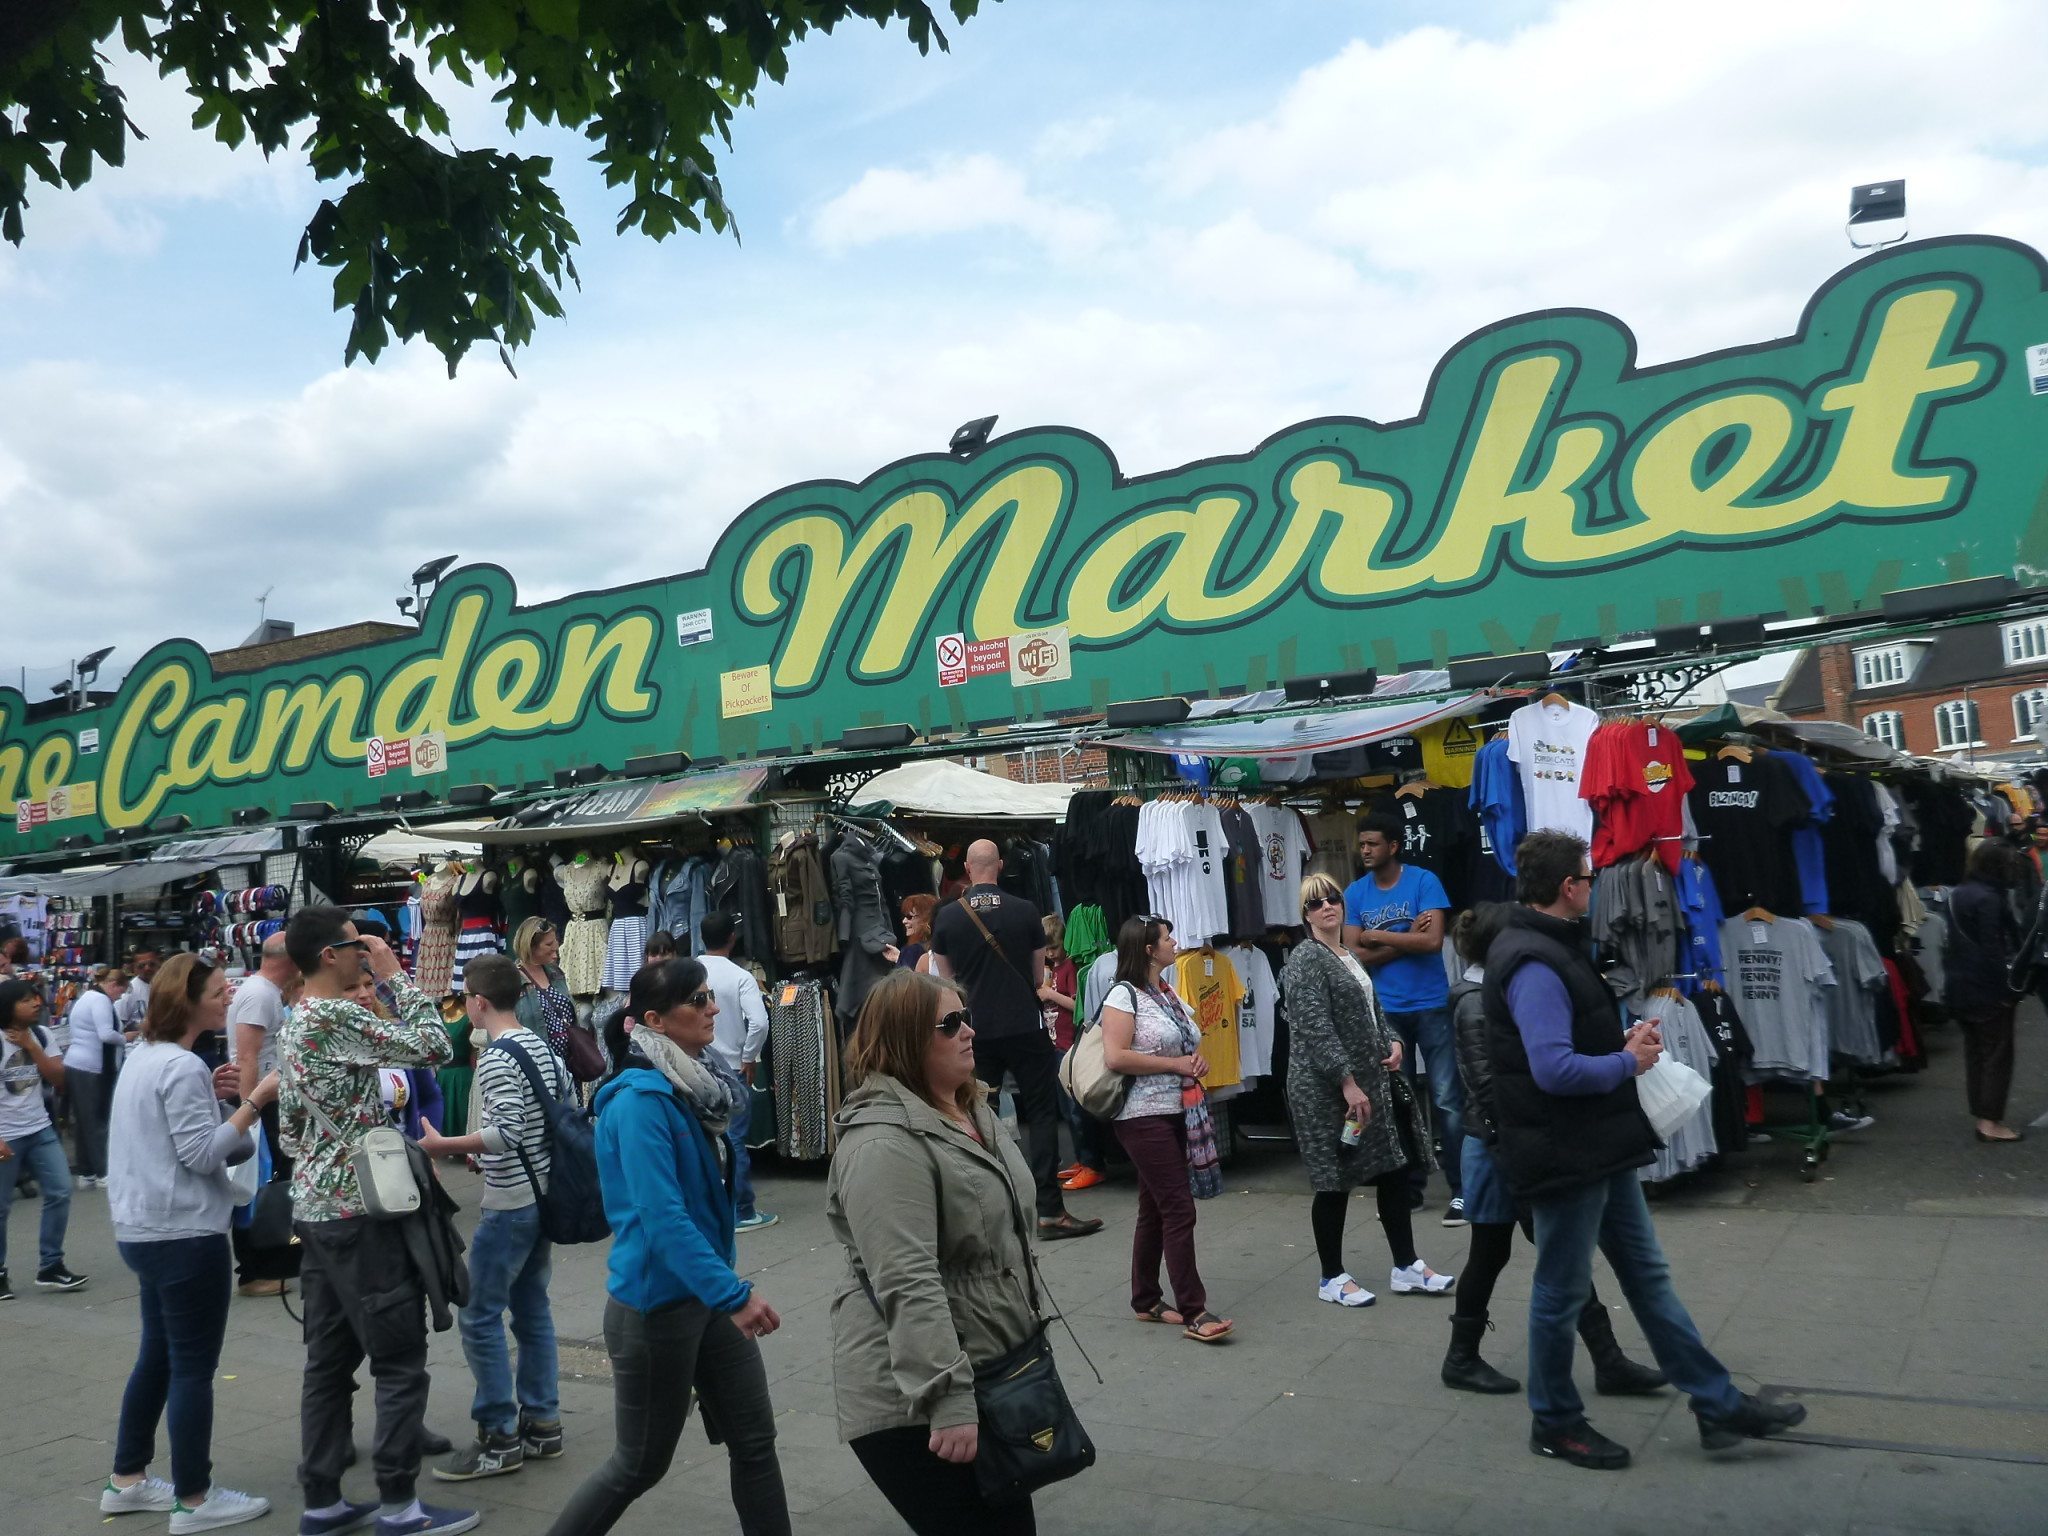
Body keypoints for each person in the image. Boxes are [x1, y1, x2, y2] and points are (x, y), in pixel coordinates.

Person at [1485, 831, 1804, 1469]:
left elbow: (1568, 1046)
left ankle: (1715, 1402)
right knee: (1560, 1288)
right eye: (1587, 876)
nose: (1595, 885)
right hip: (1566, 1151)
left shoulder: (1553, 948)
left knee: (1646, 1276)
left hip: (1599, 1145)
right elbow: (1552, 1070)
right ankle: (1554, 1420)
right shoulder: (1532, 961)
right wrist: (1624, 1061)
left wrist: (1620, 1040)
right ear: (1568, 888)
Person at [544, 958, 789, 1536]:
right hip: (656, 1310)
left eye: (710, 996)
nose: (713, 1008)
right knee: (639, 1465)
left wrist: (722, 1292)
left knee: (755, 1442)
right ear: (653, 1020)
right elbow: (660, 1216)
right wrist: (733, 1294)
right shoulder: (639, 1101)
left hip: (707, 1299)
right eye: (698, 1000)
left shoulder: (696, 1085)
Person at [828, 970, 1051, 1534]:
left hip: (989, 1367)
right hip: (913, 1398)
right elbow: (906, 1280)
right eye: (950, 1024)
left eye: (966, 1017)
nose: (969, 1032)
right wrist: (948, 1401)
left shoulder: (970, 1109)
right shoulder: (882, 1143)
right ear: (904, 1039)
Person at [277, 906, 475, 1536]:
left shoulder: (296, 1020)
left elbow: (288, 1131)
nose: (365, 952)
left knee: (329, 1360)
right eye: (355, 945)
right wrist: (396, 976)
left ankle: (324, 1499)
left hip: (315, 1210)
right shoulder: (337, 1014)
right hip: (362, 1212)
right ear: (330, 955)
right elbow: (437, 1045)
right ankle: (398, 1504)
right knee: (397, 1357)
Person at [1441, 904, 1662, 1398]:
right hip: (1499, 1145)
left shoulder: (1488, 990)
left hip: (1506, 1141)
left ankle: (1606, 1359)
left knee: (1548, 1253)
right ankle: (1463, 1357)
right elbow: (1486, 1085)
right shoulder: (1477, 1000)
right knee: (1499, 1252)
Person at [102, 952, 279, 1533]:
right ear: (188, 999)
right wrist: (254, 1102)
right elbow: (204, 1154)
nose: (229, 998)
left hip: (144, 1230)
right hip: (185, 1234)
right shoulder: (177, 1066)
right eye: (220, 990)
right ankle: (195, 1500)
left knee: (157, 1354)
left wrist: (224, 1101)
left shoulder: (149, 1057)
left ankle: (127, 1480)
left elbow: (213, 1144)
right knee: (191, 1369)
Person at [417, 954, 567, 1482]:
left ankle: (499, 1434)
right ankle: (544, 1422)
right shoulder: (542, 1047)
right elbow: (561, 1112)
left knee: (479, 1315)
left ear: (479, 1002)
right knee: (531, 1309)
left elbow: (502, 1132)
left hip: (510, 1205)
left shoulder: (501, 1056)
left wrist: (443, 1144)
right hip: (544, 1196)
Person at [1279, 875, 1450, 1307]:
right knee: (1332, 1180)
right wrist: (1347, 1082)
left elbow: (1373, 1010)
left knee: (1393, 1168)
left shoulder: (1347, 955)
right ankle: (1331, 1276)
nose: (1327, 907)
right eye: (1315, 903)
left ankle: (1406, 1265)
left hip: (1366, 1082)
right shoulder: (1305, 959)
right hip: (1324, 1089)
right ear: (1305, 915)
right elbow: (1315, 1027)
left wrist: (1391, 1040)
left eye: (1332, 899)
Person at [932, 839, 1101, 1242]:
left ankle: (989, 1211)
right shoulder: (1026, 911)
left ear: (969, 870)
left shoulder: (948, 918)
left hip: (975, 1031)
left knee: (976, 1114)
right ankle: (1049, 1211)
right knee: (1042, 1114)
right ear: (1002, 866)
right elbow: (1036, 971)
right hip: (1025, 1026)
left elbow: (945, 981)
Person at [1098, 915, 1233, 1341]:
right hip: (1142, 1115)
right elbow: (1116, 1057)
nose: (1175, 943)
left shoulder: (1165, 992)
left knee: (1154, 1206)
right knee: (1178, 1207)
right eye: (1167, 938)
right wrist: (1176, 1064)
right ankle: (1195, 1311)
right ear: (1148, 950)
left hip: (1178, 1109)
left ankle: (1146, 1299)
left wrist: (1194, 1062)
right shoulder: (1123, 995)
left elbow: (1186, 1041)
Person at [1345, 812, 1465, 1224]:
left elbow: (1432, 942)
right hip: (1386, 1011)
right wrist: (1404, 937)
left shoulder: (1424, 881)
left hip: (1430, 1004)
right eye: (1362, 844)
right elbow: (1353, 956)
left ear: (1393, 846)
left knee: (1447, 1098)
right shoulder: (1355, 892)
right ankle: (1408, 1189)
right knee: (1401, 1101)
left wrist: (1377, 935)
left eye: (1373, 844)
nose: (1365, 850)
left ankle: (1463, 1191)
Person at [0, 978, 88, 1296]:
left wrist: (31, 1047)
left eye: (37, 997)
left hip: (39, 1130)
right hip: (5, 1136)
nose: (37, 1003)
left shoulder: (41, 1034)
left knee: (61, 1191)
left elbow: (59, 1079)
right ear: (8, 1006)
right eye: (27, 1000)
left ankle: (51, 1266)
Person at [698, 911, 777, 1231]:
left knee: (701, 1138)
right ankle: (742, 1209)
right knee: (733, 1139)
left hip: (695, 1063)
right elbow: (759, 1021)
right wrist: (750, 1057)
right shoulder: (740, 976)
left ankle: (708, 1207)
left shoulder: (689, 972)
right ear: (732, 938)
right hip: (731, 1067)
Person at [1947, 840, 2024, 1143]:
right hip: (1986, 987)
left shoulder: (1959, 893)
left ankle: (1982, 1113)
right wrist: (2008, 988)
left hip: (1959, 983)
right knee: (1996, 1054)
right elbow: (1994, 949)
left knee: (1976, 1052)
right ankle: (1989, 1121)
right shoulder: (1991, 899)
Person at [1042, 913, 1105, 1192]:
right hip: (1055, 1045)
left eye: (1054, 948)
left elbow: (1075, 1003)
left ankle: (1093, 1162)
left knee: (1077, 1109)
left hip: (1069, 1044)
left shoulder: (1070, 969)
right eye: (1046, 949)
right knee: (1067, 1111)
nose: (1050, 953)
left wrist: (1050, 994)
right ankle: (1082, 1158)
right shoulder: (1050, 969)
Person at [63, 966, 130, 1187]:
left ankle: (87, 1171)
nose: (120, 996)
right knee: (97, 1120)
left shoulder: (88, 997)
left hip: (79, 1064)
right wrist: (126, 1037)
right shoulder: (100, 1001)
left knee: (84, 1121)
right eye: (120, 991)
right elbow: (106, 1034)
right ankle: (103, 1172)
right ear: (113, 985)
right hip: (91, 1066)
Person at [512, 918, 573, 1061]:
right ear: (531, 946)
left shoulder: (555, 972)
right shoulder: (512, 980)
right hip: (538, 1062)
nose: (556, 946)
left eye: (556, 941)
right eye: (549, 944)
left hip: (569, 1063)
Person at [897, 895, 936, 974]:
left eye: (909, 917)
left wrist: (904, 957)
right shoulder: (939, 945)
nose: (904, 921)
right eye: (904, 916)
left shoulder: (913, 950)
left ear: (925, 919)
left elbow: (903, 982)